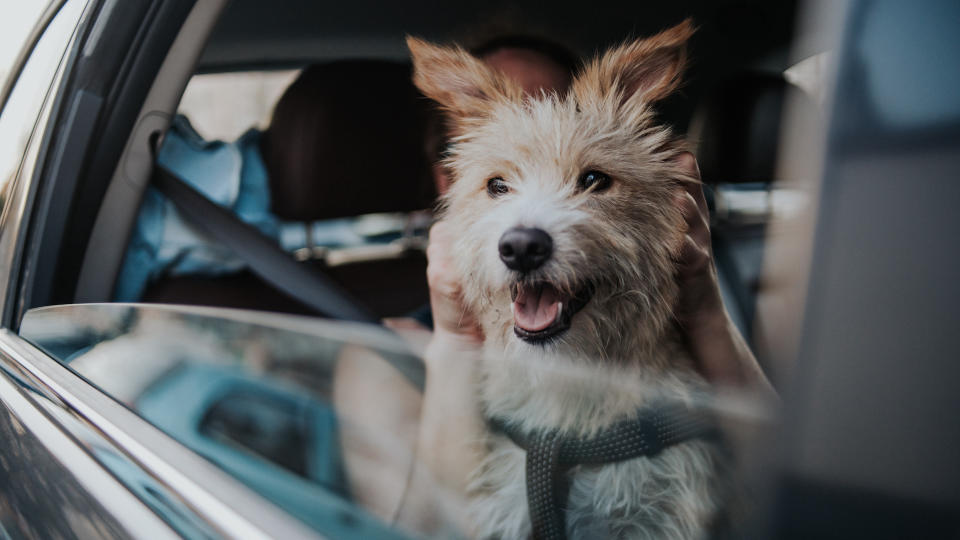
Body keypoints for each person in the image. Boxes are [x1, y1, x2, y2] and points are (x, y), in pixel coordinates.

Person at [397, 35, 776, 534]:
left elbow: (791, 492)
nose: (526, 228)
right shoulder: (386, 348)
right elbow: (419, 527)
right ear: (449, 183)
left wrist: (702, 306)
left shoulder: (692, 333)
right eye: (498, 185)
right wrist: (453, 337)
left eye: (592, 180)